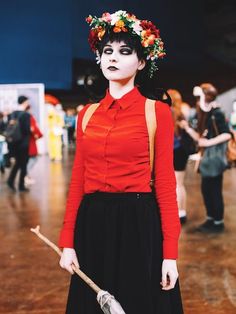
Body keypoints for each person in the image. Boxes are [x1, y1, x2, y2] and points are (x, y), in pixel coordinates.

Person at [59, 10, 183, 314]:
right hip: (93, 224)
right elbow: (78, 180)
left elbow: (166, 184)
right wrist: (67, 241)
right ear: (99, 58)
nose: (113, 57)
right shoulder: (86, 114)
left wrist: (170, 254)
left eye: (125, 51)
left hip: (138, 224)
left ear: (141, 62)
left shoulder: (157, 112)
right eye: (107, 51)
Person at [179, 83, 231, 233]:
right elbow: (199, 138)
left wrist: (209, 142)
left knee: (214, 190)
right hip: (207, 159)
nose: (197, 99)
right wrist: (187, 128)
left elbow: (227, 134)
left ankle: (218, 222)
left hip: (214, 157)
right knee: (207, 190)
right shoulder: (204, 113)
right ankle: (211, 219)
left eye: (200, 95)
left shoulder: (217, 113)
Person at [168, 89, 192, 224]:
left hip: (171, 151)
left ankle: (175, 213)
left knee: (173, 184)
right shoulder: (182, 111)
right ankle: (181, 212)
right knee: (180, 184)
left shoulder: (167, 111)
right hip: (181, 151)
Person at [7, 96, 31, 192]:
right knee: (24, 164)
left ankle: (11, 180)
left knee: (18, 163)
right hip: (23, 143)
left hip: (14, 143)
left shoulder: (12, 113)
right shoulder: (26, 115)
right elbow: (26, 130)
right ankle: (21, 185)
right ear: (25, 102)